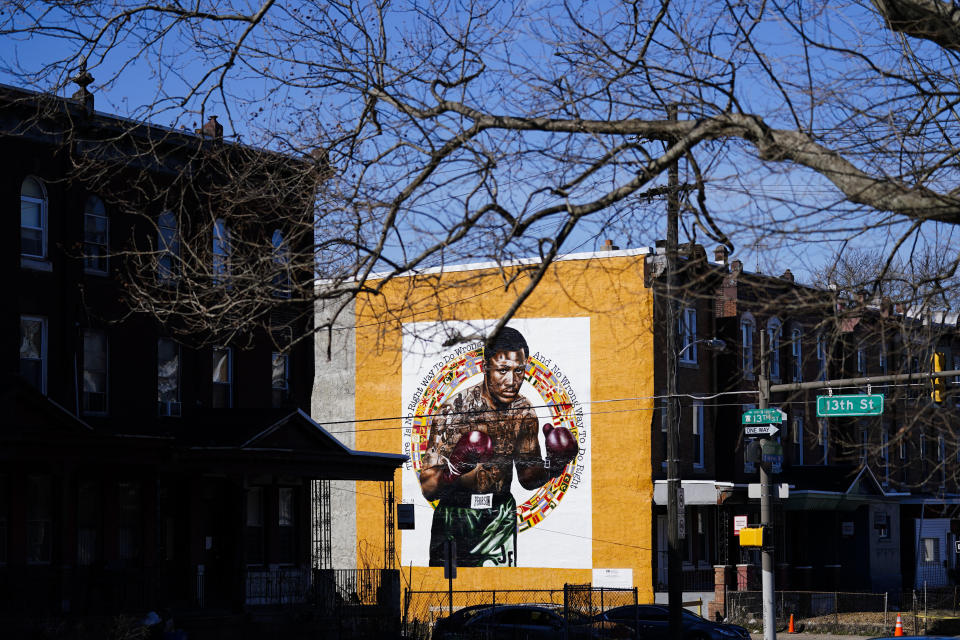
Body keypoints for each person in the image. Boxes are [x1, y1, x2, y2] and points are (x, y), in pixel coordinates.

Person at [419, 327, 577, 567]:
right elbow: (428, 488)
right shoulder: (453, 410)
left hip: (498, 514)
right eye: (503, 371)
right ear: (485, 367)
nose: (512, 382)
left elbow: (527, 477)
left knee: (499, 589)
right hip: (456, 511)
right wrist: (454, 468)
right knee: (445, 588)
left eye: (519, 371)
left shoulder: (523, 412)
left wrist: (554, 465)